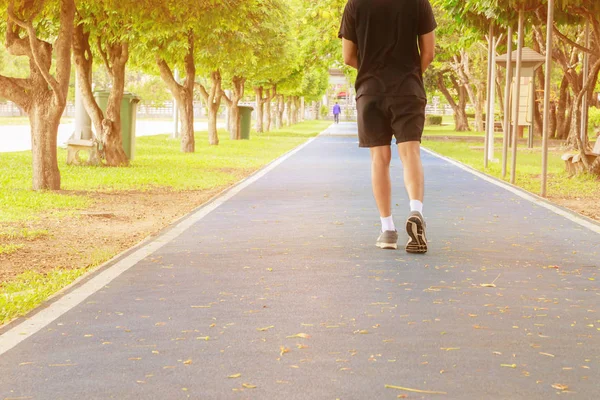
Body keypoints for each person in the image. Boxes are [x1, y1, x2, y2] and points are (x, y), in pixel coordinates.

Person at [338, 0, 436, 253]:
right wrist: (410, 76)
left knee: (379, 159)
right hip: (408, 89)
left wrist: (373, 70)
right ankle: (416, 210)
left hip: (371, 92)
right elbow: (429, 53)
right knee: (410, 153)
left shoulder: (355, 4)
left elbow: (348, 56)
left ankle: (388, 229)